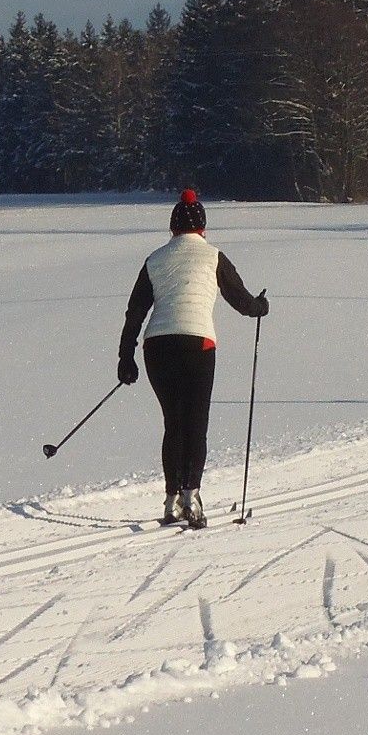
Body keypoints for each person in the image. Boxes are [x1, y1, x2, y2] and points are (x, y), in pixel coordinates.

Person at [116, 189, 268, 528]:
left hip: (156, 347)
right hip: (198, 344)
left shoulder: (154, 260)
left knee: (174, 423)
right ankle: (191, 496)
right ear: (203, 228)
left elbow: (135, 312)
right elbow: (241, 300)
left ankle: (171, 500)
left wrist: (126, 357)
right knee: (195, 423)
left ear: (172, 228)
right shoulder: (213, 257)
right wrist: (261, 307)